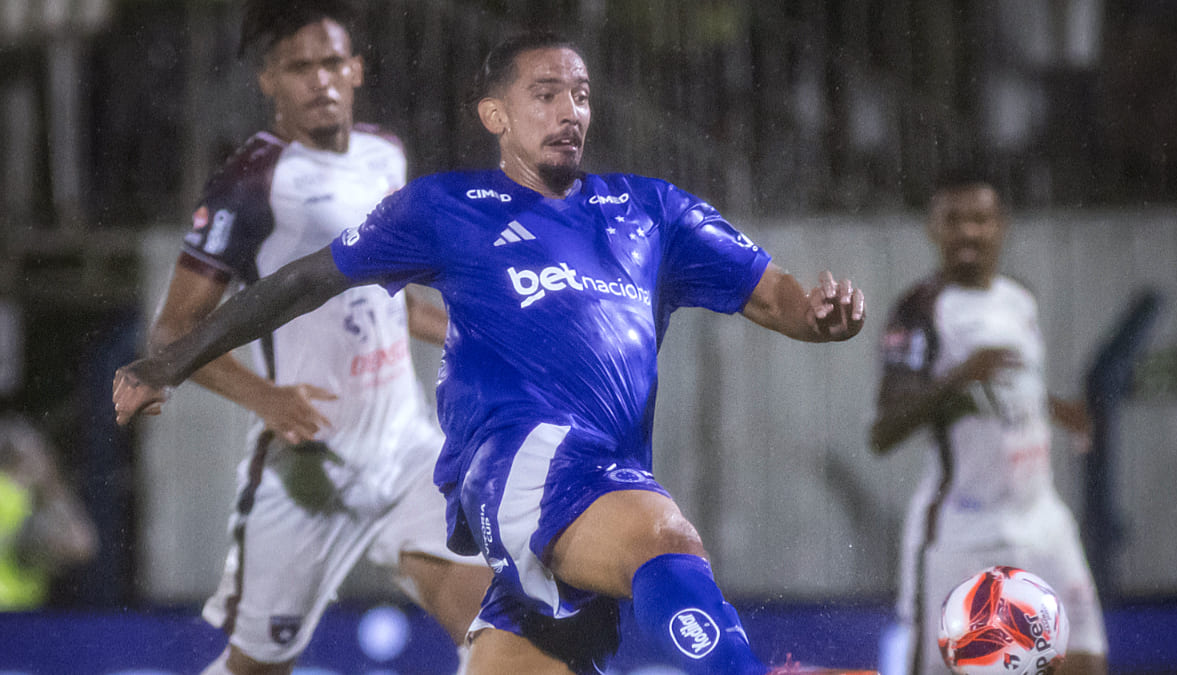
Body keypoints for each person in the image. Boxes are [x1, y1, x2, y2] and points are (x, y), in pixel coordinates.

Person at [115, 31, 867, 675]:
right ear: (495, 115)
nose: (570, 110)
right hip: (517, 466)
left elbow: (776, 296)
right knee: (664, 536)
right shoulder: (444, 208)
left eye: (581, 94)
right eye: (546, 93)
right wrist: (169, 361)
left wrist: (821, 314)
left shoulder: (650, 211)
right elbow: (303, 281)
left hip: (599, 483)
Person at [145, 2, 491, 673]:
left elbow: (396, 300)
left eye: (332, 62)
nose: (320, 80)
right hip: (311, 469)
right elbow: (172, 331)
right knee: (259, 665)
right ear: (267, 81)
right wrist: (266, 398)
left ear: (357, 68)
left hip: (405, 448)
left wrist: (491, 333)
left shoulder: (384, 154)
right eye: (298, 67)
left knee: (497, 631)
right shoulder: (250, 182)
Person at [869, 171, 1108, 675]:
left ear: (1001, 225)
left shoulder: (1019, 297)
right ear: (933, 229)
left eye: (979, 219)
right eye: (953, 220)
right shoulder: (921, 311)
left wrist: (1054, 408)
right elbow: (882, 433)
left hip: (1041, 518)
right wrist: (957, 378)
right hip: (961, 527)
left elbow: (1010, 384)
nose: (968, 233)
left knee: (1084, 660)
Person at [0, 412, 97, 610]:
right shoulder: (16, 494)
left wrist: (50, 483)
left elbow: (83, 545)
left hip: (22, 617)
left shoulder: (36, 498)